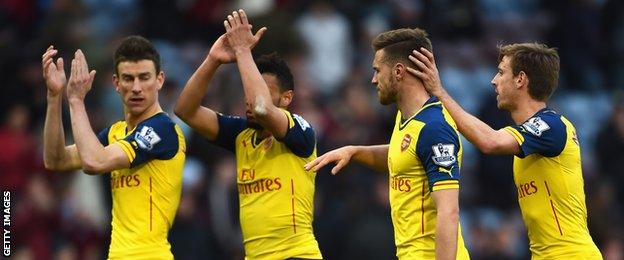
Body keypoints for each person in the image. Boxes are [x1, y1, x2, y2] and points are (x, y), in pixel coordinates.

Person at [407, 43, 602, 259]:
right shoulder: (530, 140)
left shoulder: (552, 126)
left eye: (501, 72)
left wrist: (439, 92)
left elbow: (489, 141)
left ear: (520, 79)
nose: (493, 80)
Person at [305, 28, 469, 260]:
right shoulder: (407, 119)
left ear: (399, 71)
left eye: (377, 70)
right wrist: (354, 151)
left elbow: (449, 212)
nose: (373, 80)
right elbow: (404, 157)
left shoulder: (435, 128)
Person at [174, 10, 322, 259]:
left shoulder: (300, 130)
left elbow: (262, 108)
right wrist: (213, 60)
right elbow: (185, 110)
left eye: (262, 89)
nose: (249, 97)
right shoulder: (241, 135)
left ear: (286, 98)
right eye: (249, 87)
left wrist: (243, 51)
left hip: (296, 255)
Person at [42, 36, 186, 259]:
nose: (136, 87)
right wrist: (54, 97)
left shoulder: (163, 129)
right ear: (116, 83)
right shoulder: (114, 134)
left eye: (144, 77)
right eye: (128, 78)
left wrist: (76, 101)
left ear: (159, 80)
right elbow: (56, 160)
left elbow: (94, 162)